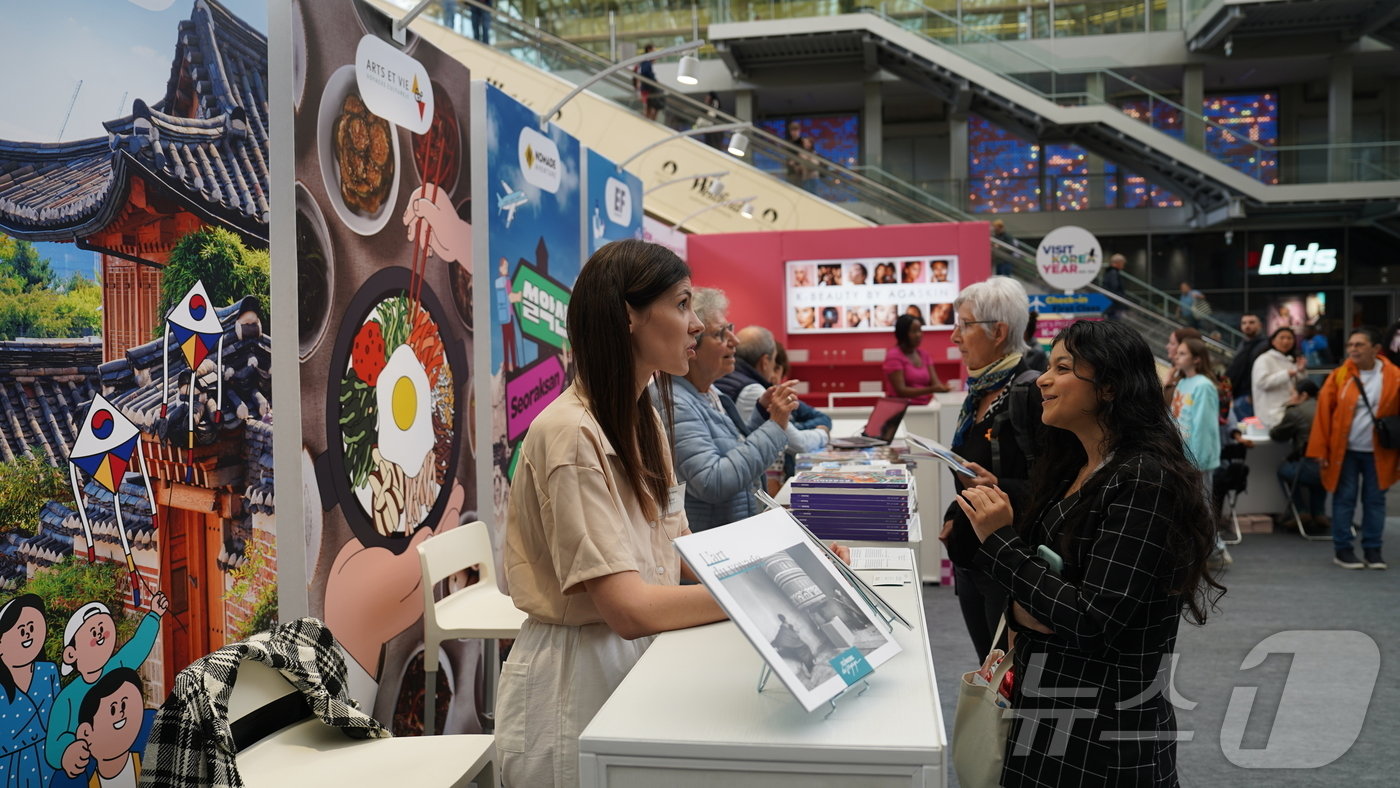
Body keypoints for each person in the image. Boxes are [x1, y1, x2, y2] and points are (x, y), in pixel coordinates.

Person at [496, 240, 730, 787]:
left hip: (629, 666)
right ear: (629, 315)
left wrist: (775, 565)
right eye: (682, 304)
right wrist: (754, 594)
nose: (695, 323)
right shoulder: (572, 434)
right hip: (575, 683)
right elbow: (628, 608)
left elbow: (676, 543)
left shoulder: (642, 416)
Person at [956, 320, 1223, 787]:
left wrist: (1002, 544)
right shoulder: (1078, 468)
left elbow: (1090, 623)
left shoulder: (1144, 480)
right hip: (1046, 709)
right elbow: (1049, 593)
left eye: (1063, 368)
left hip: (1104, 733)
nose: (1042, 378)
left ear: (1109, 387)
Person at [940, 277, 1040, 662]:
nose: (955, 337)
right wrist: (956, 513)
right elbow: (972, 470)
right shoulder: (980, 391)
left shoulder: (1030, 393)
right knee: (989, 672)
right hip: (971, 557)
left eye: (964, 325)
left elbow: (1057, 486)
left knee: (1010, 676)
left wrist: (1002, 486)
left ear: (998, 332)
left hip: (1008, 562)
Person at [670, 288, 798, 531]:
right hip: (712, 547)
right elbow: (713, 481)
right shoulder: (676, 402)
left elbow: (734, 452)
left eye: (730, 328)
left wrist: (763, 414)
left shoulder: (709, 391)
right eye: (721, 333)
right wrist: (774, 425)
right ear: (690, 345)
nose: (735, 340)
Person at [1306, 327, 1400, 570]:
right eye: (1350, 345)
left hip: (1379, 451)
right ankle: (1343, 549)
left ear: (1376, 349)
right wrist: (1319, 451)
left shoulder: (1394, 376)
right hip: (1344, 451)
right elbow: (1323, 415)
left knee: (1375, 500)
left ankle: (1373, 550)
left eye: (1359, 344)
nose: (1353, 349)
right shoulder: (1339, 375)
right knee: (1344, 499)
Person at [46, 594, 166, 778]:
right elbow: (55, 742)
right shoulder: (67, 698)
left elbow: (138, 647)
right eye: (92, 631)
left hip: (126, 747)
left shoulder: (117, 666)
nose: (99, 633)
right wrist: (68, 752)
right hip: (91, 763)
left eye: (102, 626)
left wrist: (154, 615)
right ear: (71, 654)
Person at [716, 325, 831, 456]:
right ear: (765, 362)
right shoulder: (752, 390)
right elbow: (796, 443)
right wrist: (822, 433)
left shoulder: (726, 379)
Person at [0, 594, 60, 787]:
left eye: (32, 628)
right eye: (20, 629)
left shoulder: (48, 671)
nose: (28, 634)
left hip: (45, 760)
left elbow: (57, 719)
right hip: (7, 766)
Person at [1271, 378, 1327, 533]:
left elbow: (1276, 435)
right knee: (1320, 474)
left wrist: (1288, 409)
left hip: (1309, 467)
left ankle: (1301, 511)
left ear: (1303, 395)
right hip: (1331, 466)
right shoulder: (1327, 406)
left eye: (1293, 393)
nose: (1291, 397)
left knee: (1284, 470)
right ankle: (1319, 512)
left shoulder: (1296, 412)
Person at [74, 668, 144, 786]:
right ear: (86, 732)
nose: (121, 713)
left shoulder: (145, 756)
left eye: (124, 705)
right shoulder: (84, 779)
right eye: (112, 709)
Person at [882, 314, 949, 405]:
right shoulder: (893, 356)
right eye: (914, 331)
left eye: (919, 330)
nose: (918, 335)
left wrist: (942, 388)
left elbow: (935, 383)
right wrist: (932, 389)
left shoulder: (924, 355)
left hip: (925, 407)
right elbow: (901, 391)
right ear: (903, 334)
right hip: (902, 409)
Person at [1251, 326, 1306, 429]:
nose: (1286, 341)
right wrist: (1286, 374)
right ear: (1273, 341)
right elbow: (1262, 382)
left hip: (1289, 409)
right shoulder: (1264, 359)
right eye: (1282, 338)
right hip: (1271, 412)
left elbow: (1298, 384)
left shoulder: (1290, 360)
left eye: (1289, 338)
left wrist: (1301, 371)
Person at [1225, 313, 1267, 420]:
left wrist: (1251, 396)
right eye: (1244, 323)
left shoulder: (1264, 345)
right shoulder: (1243, 344)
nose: (1247, 326)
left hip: (1251, 397)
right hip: (1239, 395)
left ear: (1260, 325)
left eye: (1251, 322)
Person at [633, 45, 663, 121]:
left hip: (646, 87)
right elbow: (645, 72)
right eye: (653, 50)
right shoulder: (646, 62)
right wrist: (654, 79)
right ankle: (649, 121)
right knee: (652, 105)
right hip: (647, 88)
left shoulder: (644, 61)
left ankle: (649, 120)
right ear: (649, 50)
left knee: (650, 106)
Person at [1101, 253, 1128, 320]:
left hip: (1110, 304)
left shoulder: (1109, 272)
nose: (1123, 265)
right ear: (1118, 262)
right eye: (1122, 263)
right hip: (1114, 305)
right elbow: (1114, 287)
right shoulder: (1113, 273)